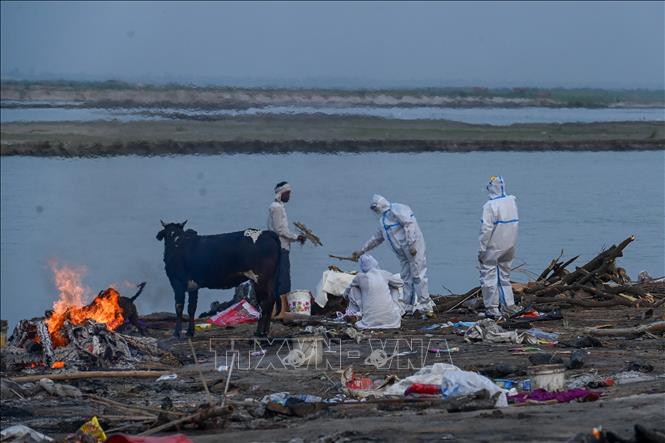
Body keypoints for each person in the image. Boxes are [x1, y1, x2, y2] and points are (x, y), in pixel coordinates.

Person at [352, 194, 434, 315]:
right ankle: (408, 305)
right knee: (406, 277)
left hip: (413, 249)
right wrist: (362, 250)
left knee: (418, 275)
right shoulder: (383, 220)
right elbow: (377, 238)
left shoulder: (397, 209)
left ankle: (426, 305)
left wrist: (412, 244)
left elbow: (409, 224)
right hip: (402, 253)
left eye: (375, 207)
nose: (375, 210)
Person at [478, 176, 520, 318]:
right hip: (510, 244)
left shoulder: (490, 206)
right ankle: (509, 305)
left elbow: (486, 230)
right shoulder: (511, 201)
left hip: (494, 246)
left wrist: (482, 249)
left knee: (489, 276)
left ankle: (492, 308)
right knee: (504, 276)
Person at [267, 181, 305, 309]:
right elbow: (280, 230)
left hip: (280, 247)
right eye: (287, 193)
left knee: (279, 278)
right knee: (283, 280)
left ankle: (278, 309)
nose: (289, 196)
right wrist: (296, 237)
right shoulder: (276, 207)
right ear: (281, 193)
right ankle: (282, 309)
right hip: (280, 247)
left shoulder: (279, 206)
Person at [344, 254, 404, 329]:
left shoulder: (359, 277)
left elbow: (347, 290)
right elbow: (401, 283)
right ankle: (396, 310)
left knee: (354, 289)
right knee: (395, 286)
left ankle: (357, 312)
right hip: (391, 321)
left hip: (370, 321)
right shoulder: (384, 273)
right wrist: (387, 283)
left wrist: (345, 297)